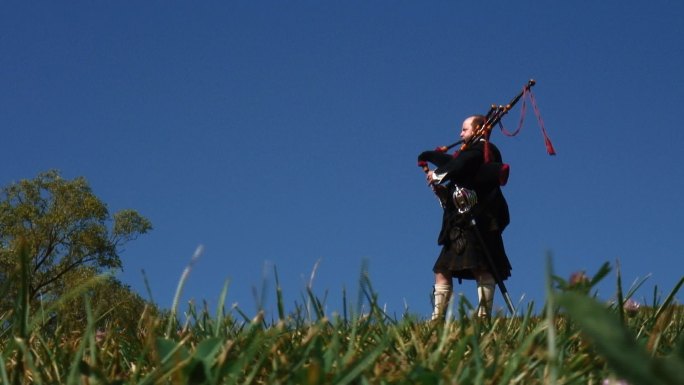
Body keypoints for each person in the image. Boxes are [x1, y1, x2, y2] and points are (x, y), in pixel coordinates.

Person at [425, 115, 512, 320]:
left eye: (464, 130)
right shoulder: (465, 157)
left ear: (479, 130)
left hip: (479, 220)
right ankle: (437, 318)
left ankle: (483, 316)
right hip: (459, 224)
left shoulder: (485, 150)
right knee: (442, 270)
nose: (460, 134)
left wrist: (439, 173)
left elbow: (465, 164)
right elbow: (461, 183)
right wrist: (442, 191)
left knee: (481, 267)